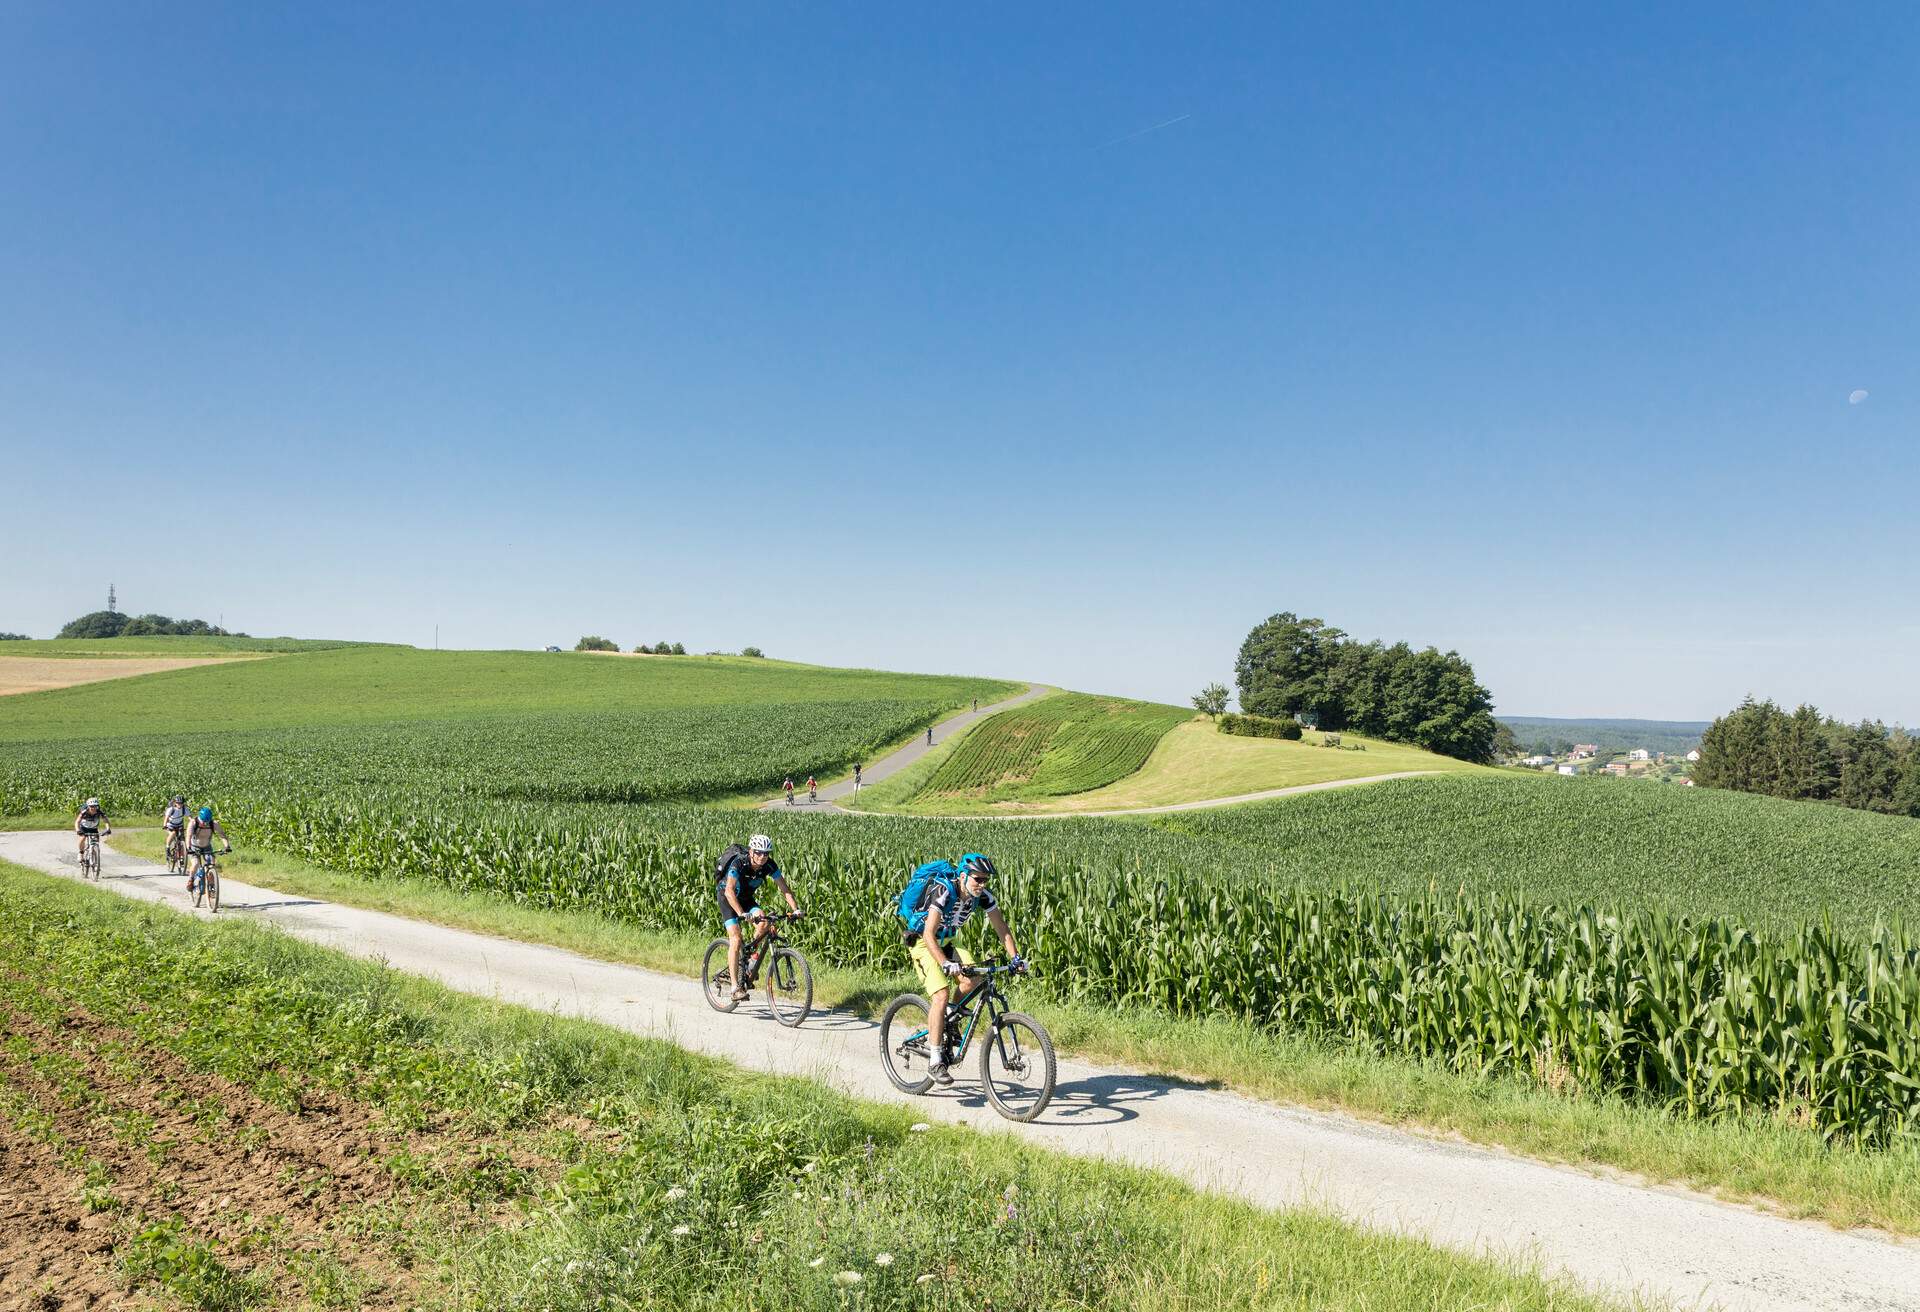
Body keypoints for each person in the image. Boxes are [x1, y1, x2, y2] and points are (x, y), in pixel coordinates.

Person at [909, 852, 1023, 1086]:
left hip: (949, 940)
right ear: (963, 876)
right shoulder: (945, 891)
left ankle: (949, 1019)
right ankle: (935, 1060)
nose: (982, 885)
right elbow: (929, 934)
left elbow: (1002, 928)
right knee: (941, 995)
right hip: (923, 941)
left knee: (974, 978)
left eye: (985, 880)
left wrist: (1016, 958)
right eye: (977, 879)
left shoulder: (982, 897)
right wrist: (945, 964)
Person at [716, 834, 801, 1001]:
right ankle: (735, 988)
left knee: (765, 922)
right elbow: (729, 891)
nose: (763, 857)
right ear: (751, 851)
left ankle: (748, 965)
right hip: (728, 898)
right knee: (736, 938)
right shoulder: (739, 863)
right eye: (759, 852)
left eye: (766, 853)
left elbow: (785, 889)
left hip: (746, 900)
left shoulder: (769, 865)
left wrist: (796, 909)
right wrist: (741, 913)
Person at [184, 806, 231, 893]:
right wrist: (188, 848)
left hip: (207, 847)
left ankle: (212, 885)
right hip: (194, 847)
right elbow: (188, 837)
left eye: (207, 821)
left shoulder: (214, 824)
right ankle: (190, 880)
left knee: (212, 865)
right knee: (196, 864)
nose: (205, 823)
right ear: (199, 817)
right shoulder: (193, 823)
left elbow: (222, 835)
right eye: (204, 821)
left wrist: (227, 846)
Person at [161, 794, 190, 864]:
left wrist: (193, 822)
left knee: (182, 840)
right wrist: (165, 825)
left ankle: (182, 857)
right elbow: (166, 818)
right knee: (173, 833)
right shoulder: (171, 809)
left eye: (181, 803)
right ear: (175, 803)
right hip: (170, 825)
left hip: (179, 825)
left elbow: (189, 817)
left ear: (183, 803)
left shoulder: (184, 809)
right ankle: (167, 847)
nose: (179, 804)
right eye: (178, 803)